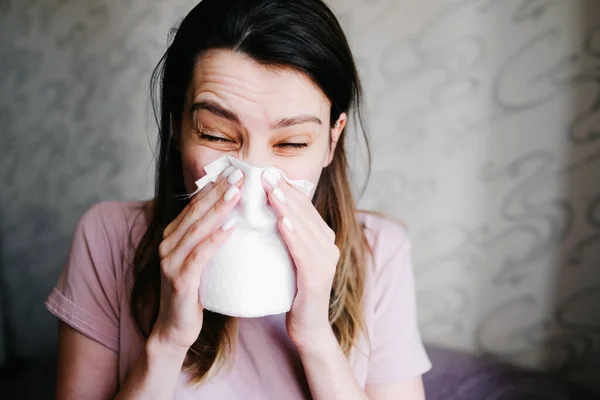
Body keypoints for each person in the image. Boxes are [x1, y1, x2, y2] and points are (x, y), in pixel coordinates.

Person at [45, 0, 432, 398]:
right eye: (215, 134)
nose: (251, 180)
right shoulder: (109, 238)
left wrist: (316, 337)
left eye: (292, 142)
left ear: (332, 140)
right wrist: (168, 340)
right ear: (178, 129)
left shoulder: (378, 252)